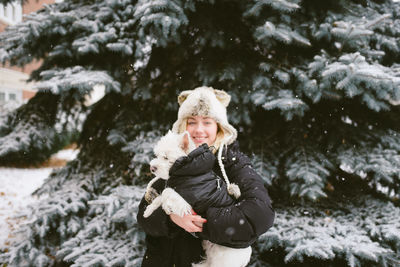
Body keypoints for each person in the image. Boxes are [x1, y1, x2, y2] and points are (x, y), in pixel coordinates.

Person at [137, 86, 275, 267]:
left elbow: (259, 215)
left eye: (207, 122)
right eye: (192, 122)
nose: (198, 129)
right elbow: (144, 217)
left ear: (219, 127)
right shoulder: (172, 160)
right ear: (183, 126)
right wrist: (172, 218)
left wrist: (200, 223)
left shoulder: (233, 163)